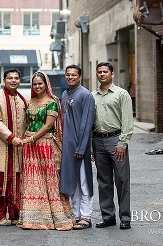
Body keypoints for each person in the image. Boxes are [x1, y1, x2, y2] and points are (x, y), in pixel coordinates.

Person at [18, 71, 75, 230]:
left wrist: (31, 138)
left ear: (46, 85)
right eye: (34, 84)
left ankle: (54, 218)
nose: (37, 86)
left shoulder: (52, 102)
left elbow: (48, 126)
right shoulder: (30, 101)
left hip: (45, 145)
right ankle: (31, 218)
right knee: (32, 180)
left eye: (40, 83)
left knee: (48, 180)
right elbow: (28, 122)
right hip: (30, 146)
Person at [92, 62, 134, 230]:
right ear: (97, 75)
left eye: (105, 72)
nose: (102, 74)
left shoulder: (121, 94)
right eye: (99, 72)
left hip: (116, 140)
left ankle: (125, 217)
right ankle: (108, 216)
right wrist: (91, 146)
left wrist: (122, 143)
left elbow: (128, 122)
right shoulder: (92, 96)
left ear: (112, 74)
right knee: (103, 181)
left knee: (122, 180)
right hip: (98, 141)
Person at [0, 68, 28, 226]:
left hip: (18, 150)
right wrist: (11, 138)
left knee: (16, 184)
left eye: (16, 78)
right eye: (10, 78)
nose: (13, 81)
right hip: (1, 147)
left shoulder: (22, 100)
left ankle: (14, 214)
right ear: (4, 80)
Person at [60, 64, 96, 229]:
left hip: (79, 147)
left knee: (83, 182)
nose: (70, 77)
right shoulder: (65, 94)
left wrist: (82, 148)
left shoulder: (85, 95)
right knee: (72, 182)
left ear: (79, 77)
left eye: (74, 75)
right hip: (67, 147)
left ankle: (86, 216)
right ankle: (75, 214)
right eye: (68, 75)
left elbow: (87, 123)